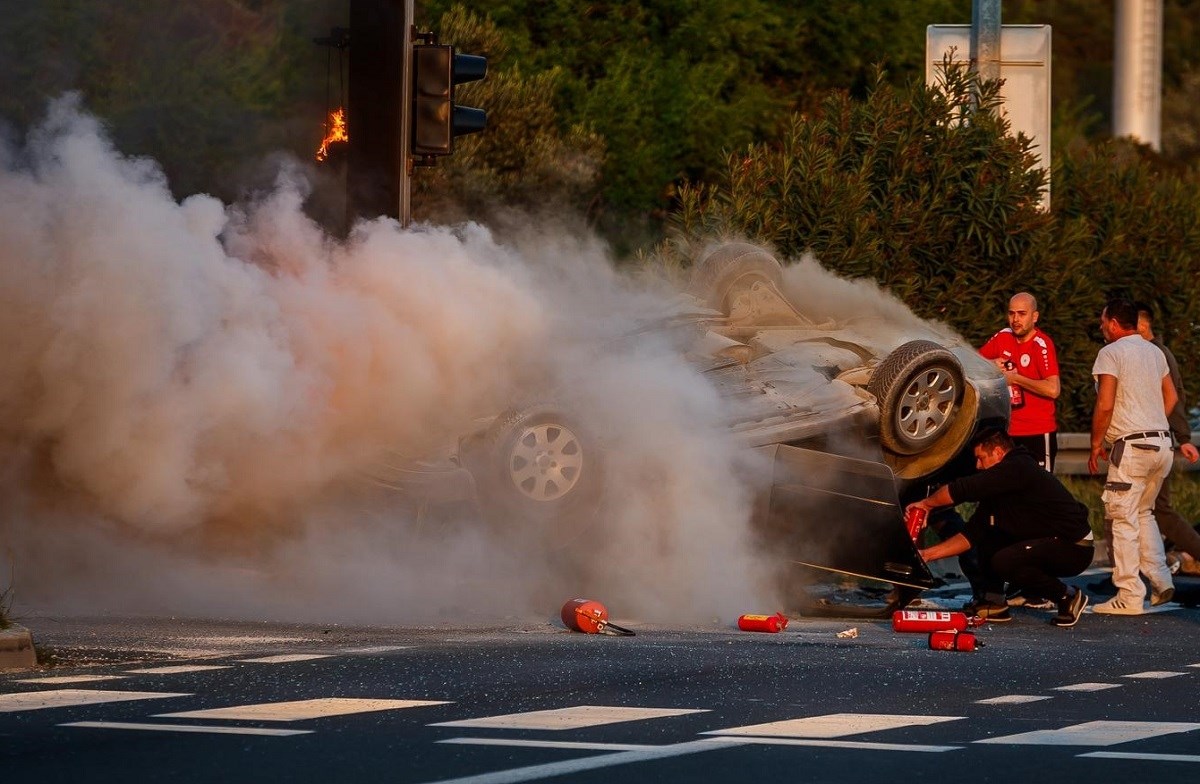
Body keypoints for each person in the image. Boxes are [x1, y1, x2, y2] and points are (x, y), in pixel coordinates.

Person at [907, 428, 1092, 628]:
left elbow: (962, 489)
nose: (978, 466)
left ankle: (1067, 595)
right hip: (1048, 541)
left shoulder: (1018, 467)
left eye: (981, 458)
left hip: (1074, 546)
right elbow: (969, 536)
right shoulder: (1000, 488)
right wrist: (926, 555)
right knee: (987, 538)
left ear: (997, 452)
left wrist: (926, 504)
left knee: (1005, 561)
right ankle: (994, 601)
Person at [1088, 298, 1177, 615]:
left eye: (1102, 322)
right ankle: (1161, 579)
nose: (1101, 327)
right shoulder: (1154, 352)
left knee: (1121, 519)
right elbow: (1172, 396)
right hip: (1162, 443)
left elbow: (1106, 403)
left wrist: (1096, 442)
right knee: (1144, 513)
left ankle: (1128, 595)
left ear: (1113, 323)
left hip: (1132, 446)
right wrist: (1153, 422)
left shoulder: (1110, 353)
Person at [1133, 303, 1200, 561]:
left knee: (1159, 510)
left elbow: (1174, 397)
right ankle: (1135, 572)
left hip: (1155, 441)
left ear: (1142, 325)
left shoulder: (1156, 353)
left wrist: (1183, 438)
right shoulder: (1156, 352)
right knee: (1145, 509)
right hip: (1156, 440)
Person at [979, 292, 1062, 472]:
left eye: (1022, 314)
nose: (1015, 319)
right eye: (1011, 313)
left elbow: (1053, 389)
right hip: (1007, 432)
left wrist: (1016, 379)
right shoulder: (1003, 336)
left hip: (1037, 431)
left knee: (1039, 491)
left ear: (1035, 317)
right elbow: (974, 361)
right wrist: (990, 364)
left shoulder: (1041, 344)